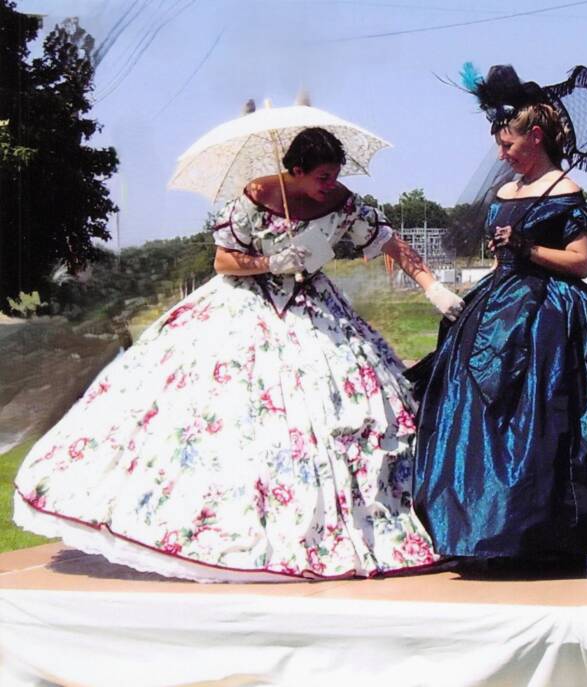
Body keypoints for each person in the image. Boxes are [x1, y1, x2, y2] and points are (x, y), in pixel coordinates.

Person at [13, 127, 464, 582]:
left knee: (361, 404)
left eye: (335, 175)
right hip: (247, 304)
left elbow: (388, 241)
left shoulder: (343, 203)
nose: (330, 184)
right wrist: (272, 261)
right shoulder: (256, 195)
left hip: (315, 306)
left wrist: (433, 288)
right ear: (297, 171)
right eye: (322, 176)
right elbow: (223, 261)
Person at [410, 66, 587, 575]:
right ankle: (485, 530)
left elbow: (579, 263)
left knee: (550, 422)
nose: (500, 154)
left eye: (508, 143)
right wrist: (505, 253)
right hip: (498, 308)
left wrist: (527, 247)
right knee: (480, 420)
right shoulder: (505, 194)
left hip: (552, 318)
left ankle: (548, 536)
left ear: (536, 136)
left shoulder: (565, 190)